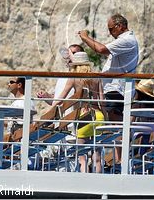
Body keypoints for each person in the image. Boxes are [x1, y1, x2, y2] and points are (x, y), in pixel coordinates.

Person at [78, 13, 139, 162]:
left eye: (111, 29)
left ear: (120, 26)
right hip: (115, 89)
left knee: (117, 127)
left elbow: (100, 49)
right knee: (115, 126)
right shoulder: (125, 41)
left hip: (116, 90)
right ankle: (119, 160)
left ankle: (120, 161)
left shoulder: (126, 40)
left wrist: (85, 37)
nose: (110, 32)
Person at [51, 52, 105, 173]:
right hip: (98, 116)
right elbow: (102, 101)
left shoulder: (74, 77)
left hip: (83, 116)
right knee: (97, 157)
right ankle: (99, 183)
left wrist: (51, 110)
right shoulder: (97, 77)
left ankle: (84, 182)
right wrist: (105, 116)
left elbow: (61, 98)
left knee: (82, 157)